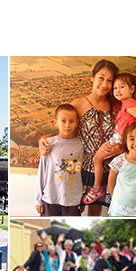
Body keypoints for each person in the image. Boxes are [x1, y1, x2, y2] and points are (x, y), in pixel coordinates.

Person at [40, 60, 120, 216]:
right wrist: (42, 141)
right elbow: (61, 131)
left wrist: (120, 148)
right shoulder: (78, 104)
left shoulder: (116, 106)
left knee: (96, 213)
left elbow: (127, 134)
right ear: (92, 77)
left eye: (110, 80)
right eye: (101, 78)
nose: (104, 84)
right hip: (80, 168)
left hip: (108, 168)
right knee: (72, 210)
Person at [84, 73, 136, 205]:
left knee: (97, 159)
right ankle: (106, 191)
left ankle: (96, 188)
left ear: (132, 89)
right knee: (110, 165)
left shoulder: (129, 104)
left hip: (118, 142)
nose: (118, 90)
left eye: (121, 87)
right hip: (117, 139)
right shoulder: (125, 104)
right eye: (115, 88)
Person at [35, 104, 84, 216]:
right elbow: (42, 173)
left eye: (71, 121)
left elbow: (83, 172)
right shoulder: (48, 144)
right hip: (50, 199)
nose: (67, 125)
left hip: (73, 201)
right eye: (63, 121)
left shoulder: (81, 145)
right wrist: (38, 199)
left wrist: (82, 198)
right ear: (55, 123)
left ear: (76, 123)